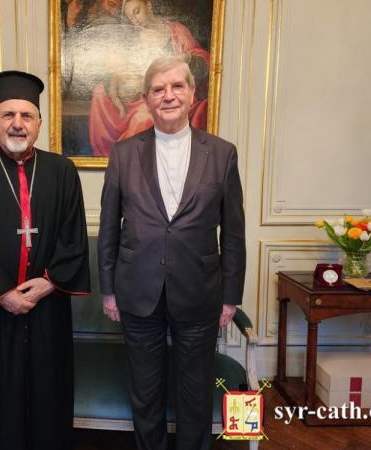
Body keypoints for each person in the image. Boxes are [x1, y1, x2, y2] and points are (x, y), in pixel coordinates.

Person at [97, 56, 246, 450]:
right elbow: (109, 227)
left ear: (192, 93)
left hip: (200, 291)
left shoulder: (223, 153)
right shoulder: (124, 153)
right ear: (147, 99)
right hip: (137, 290)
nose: (168, 96)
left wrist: (231, 297)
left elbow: (234, 232)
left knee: (195, 393)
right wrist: (108, 290)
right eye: (158, 89)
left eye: (177, 86)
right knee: (145, 393)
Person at [0, 70, 90, 450]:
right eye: (8, 114)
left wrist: (49, 282)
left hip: (45, 308)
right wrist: (2, 294)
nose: (18, 124)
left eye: (27, 115)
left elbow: (73, 237)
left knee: (45, 394)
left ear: (39, 123)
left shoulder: (62, 171)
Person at [89, 0, 210, 156]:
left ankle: (140, 159)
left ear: (149, 6)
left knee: (143, 118)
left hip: (171, 94)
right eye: (131, 17)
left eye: (137, 11)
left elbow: (199, 57)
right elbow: (126, 70)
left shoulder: (176, 31)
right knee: (99, 92)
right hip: (143, 94)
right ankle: (113, 157)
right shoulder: (135, 40)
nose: (135, 19)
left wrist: (187, 60)